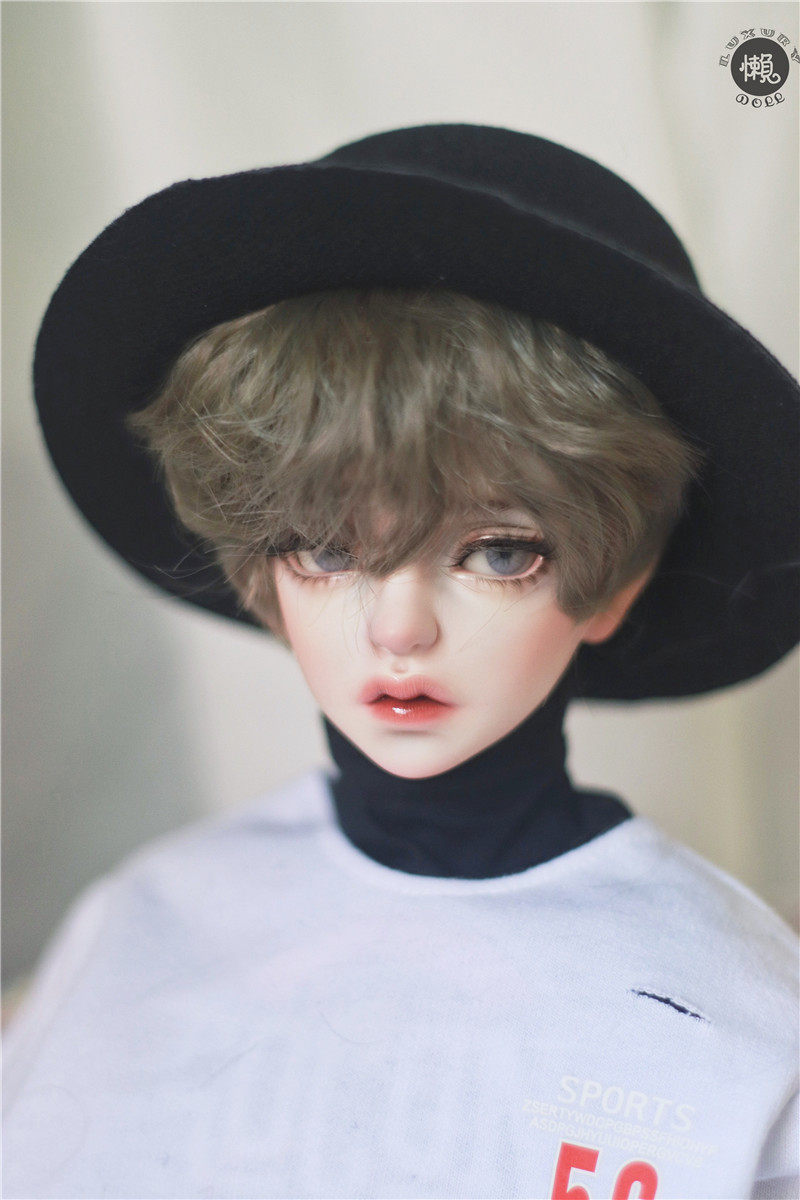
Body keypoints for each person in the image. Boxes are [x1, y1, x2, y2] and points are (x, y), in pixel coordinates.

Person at [5, 124, 798, 1200]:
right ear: (261, 573)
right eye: (326, 550)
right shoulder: (142, 928)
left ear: (615, 582)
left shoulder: (733, 1010)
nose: (398, 629)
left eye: (498, 552)